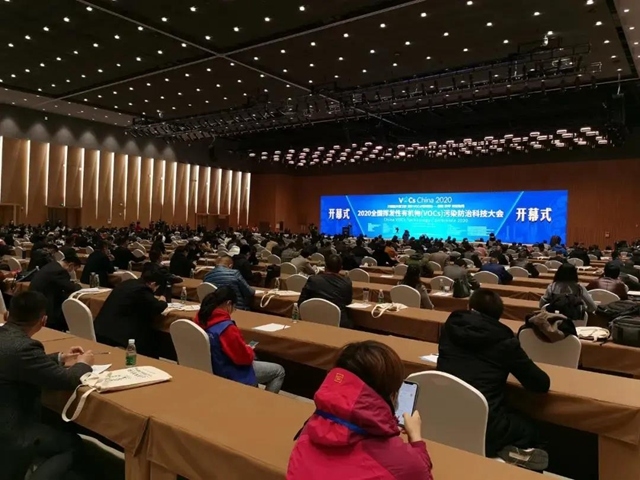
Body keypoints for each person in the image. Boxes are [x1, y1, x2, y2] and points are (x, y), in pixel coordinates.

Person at [437, 289, 550, 470]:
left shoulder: (448, 330)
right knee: (539, 431)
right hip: (486, 428)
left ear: (469, 307)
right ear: (499, 316)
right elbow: (540, 384)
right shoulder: (505, 342)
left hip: (442, 416)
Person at [287, 340, 433, 480]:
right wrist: (416, 439)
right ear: (392, 396)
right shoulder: (401, 462)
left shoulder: (309, 429)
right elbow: (421, 474)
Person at [0, 291, 95, 480]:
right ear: (43, 320)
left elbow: (18, 363)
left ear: (7, 315)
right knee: (71, 444)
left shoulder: (7, 339)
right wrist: (84, 364)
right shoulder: (25, 347)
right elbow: (67, 380)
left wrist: (60, 358)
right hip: (11, 431)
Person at [196, 287, 285, 393]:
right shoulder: (226, 328)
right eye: (234, 308)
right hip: (229, 371)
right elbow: (243, 359)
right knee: (279, 371)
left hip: (210, 367)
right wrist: (249, 350)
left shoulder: (200, 318)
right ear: (229, 304)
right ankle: (263, 400)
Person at [94, 264, 169, 358]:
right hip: (116, 336)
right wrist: (163, 300)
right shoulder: (143, 289)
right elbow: (157, 307)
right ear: (153, 284)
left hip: (101, 329)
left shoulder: (128, 283)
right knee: (151, 338)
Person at [29, 254, 82, 331]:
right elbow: (69, 287)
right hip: (44, 304)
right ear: (71, 265)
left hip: (34, 299)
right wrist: (78, 285)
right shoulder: (60, 271)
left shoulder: (52, 265)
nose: (72, 271)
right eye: (74, 269)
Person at [298, 254, 353, 328]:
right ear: (341, 268)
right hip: (339, 323)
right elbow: (348, 302)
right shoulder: (347, 283)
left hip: (311, 320)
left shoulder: (313, 279)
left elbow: (301, 303)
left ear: (325, 267)